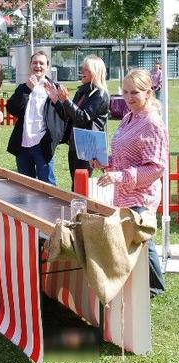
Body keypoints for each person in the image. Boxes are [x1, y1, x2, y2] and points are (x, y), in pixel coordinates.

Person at [90, 69, 167, 298]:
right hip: (124, 190)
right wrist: (106, 163)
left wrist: (120, 176)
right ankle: (149, 284)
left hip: (142, 193)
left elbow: (156, 167)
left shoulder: (152, 123)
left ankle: (155, 287)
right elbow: (124, 154)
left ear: (148, 92)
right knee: (135, 238)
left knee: (141, 238)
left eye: (135, 92)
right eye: (125, 92)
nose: (129, 97)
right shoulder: (129, 116)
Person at [47, 55, 110, 190]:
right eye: (82, 68)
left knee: (81, 185)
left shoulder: (100, 94)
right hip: (75, 144)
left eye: (86, 69)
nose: (82, 72)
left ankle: (82, 210)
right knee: (75, 184)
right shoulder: (82, 91)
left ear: (95, 72)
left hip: (88, 146)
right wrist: (56, 101)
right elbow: (68, 116)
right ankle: (77, 209)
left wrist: (66, 101)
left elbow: (82, 117)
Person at [6, 51, 66, 185]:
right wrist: (27, 90)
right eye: (35, 63)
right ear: (30, 65)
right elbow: (11, 109)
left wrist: (56, 101)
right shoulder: (23, 87)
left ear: (47, 67)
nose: (38, 66)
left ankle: (50, 207)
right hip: (23, 144)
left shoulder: (54, 88)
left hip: (43, 144)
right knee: (26, 185)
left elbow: (64, 116)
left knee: (47, 185)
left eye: (41, 63)